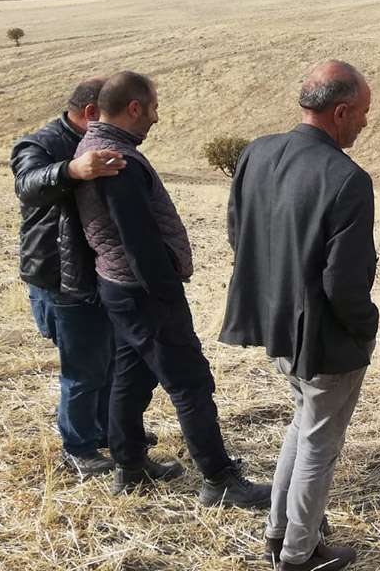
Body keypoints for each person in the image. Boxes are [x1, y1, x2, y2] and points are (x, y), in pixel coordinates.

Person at [72, 70, 271, 508]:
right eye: (154, 108)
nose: (157, 118)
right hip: (143, 291)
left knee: (131, 375)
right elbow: (138, 240)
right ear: (134, 108)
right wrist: (165, 296)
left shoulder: (98, 150)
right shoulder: (114, 161)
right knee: (191, 383)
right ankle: (220, 481)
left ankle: (129, 467)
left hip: (120, 287)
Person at [220, 60, 377, 571]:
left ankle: (278, 533)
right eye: (363, 114)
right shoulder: (347, 179)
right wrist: (365, 328)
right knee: (320, 444)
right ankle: (297, 554)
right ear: (340, 110)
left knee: (302, 424)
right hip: (326, 340)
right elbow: (344, 283)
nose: (365, 124)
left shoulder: (257, 152)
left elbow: (238, 234)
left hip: (276, 325)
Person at [10, 77, 135, 477]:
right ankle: (78, 448)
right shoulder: (41, 144)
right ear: (90, 114)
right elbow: (27, 186)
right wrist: (71, 170)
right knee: (82, 369)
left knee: (110, 357)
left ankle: (101, 432)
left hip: (97, 272)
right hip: (59, 276)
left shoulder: (104, 143)